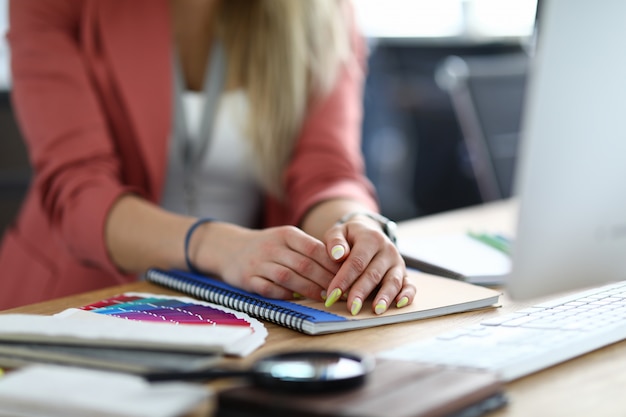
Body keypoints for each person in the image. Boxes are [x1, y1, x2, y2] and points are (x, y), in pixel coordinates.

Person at [0, 0, 416, 314]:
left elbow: (327, 172)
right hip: (76, 296)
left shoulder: (320, 11)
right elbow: (78, 191)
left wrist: (352, 228)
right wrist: (222, 247)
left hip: (244, 307)